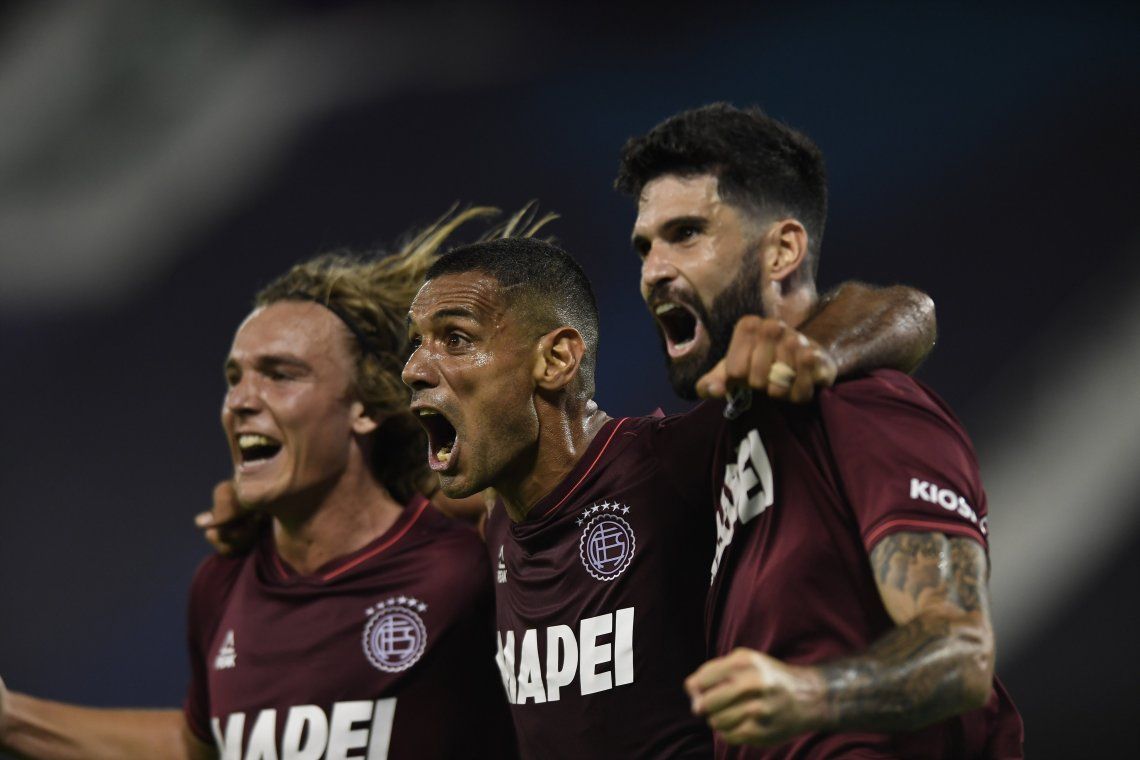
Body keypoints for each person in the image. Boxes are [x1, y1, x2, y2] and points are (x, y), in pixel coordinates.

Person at [0, 208, 517, 760]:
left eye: (280, 374)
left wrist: (460, 487)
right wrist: (12, 720)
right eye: (235, 378)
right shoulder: (220, 585)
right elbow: (202, 749)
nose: (241, 401)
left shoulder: (465, 568)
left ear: (364, 409)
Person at [401, 236, 935, 759]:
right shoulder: (498, 517)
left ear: (557, 359)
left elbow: (904, 311)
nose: (414, 369)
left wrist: (815, 352)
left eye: (456, 339)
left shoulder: (673, 464)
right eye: (417, 343)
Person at [615, 103, 1024, 757]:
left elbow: (960, 653)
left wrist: (808, 693)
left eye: (686, 233)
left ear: (782, 250)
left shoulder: (868, 407)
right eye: (645, 246)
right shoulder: (730, 443)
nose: (652, 271)